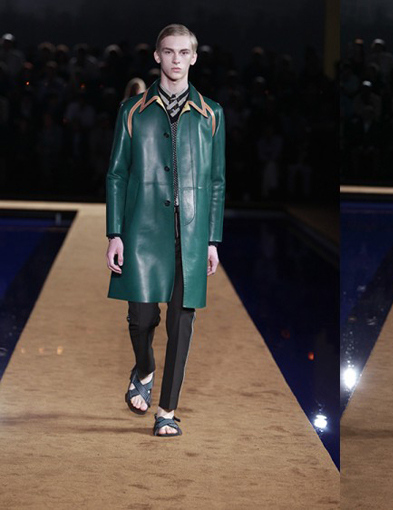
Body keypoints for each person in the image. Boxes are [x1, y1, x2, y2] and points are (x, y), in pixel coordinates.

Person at [105, 24, 225, 437]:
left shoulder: (212, 113)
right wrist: (114, 233)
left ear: (194, 57)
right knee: (141, 318)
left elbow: (217, 181)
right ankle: (144, 367)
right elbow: (117, 173)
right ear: (157, 56)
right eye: (169, 51)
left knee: (181, 323)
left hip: (190, 233)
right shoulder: (132, 110)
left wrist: (212, 239)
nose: (176, 59)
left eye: (183, 52)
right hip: (141, 228)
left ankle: (168, 411)